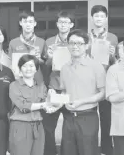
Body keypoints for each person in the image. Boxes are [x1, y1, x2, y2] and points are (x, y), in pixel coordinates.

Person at [59, 29, 106, 155]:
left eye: (79, 43)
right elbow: (64, 91)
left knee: (88, 151)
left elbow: (103, 93)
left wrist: (81, 102)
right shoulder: (64, 68)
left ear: (87, 45)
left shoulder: (96, 66)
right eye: (72, 43)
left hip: (88, 117)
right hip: (68, 118)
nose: (75, 46)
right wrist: (59, 102)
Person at [8, 54, 58, 155]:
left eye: (31, 66)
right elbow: (23, 106)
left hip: (38, 126)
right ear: (20, 68)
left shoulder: (41, 86)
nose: (28, 69)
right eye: (25, 66)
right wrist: (44, 105)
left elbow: (47, 104)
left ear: (36, 69)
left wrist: (52, 98)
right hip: (20, 126)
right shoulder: (14, 85)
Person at [40, 10, 75, 155]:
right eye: (61, 22)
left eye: (66, 22)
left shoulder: (76, 42)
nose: (63, 25)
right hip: (54, 89)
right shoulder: (49, 42)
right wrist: (49, 57)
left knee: (70, 128)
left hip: (71, 90)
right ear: (57, 24)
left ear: (71, 24)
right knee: (48, 127)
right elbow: (44, 66)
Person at [90, 5, 119, 155]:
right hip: (89, 81)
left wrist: (113, 55)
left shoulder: (113, 37)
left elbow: (115, 62)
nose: (99, 19)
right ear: (92, 18)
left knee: (106, 117)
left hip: (106, 80)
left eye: (102, 16)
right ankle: (91, 148)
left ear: (106, 18)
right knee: (89, 117)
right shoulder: (86, 36)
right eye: (96, 16)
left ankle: (107, 150)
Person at [8, 10, 45, 83]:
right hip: (19, 81)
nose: (28, 24)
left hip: (37, 81)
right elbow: (10, 63)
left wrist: (39, 59)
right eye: (25, 21)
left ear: (35, 23)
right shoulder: (13, 42)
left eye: (30, 22)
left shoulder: (42, 42)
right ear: (20, 23)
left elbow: (45, 64)